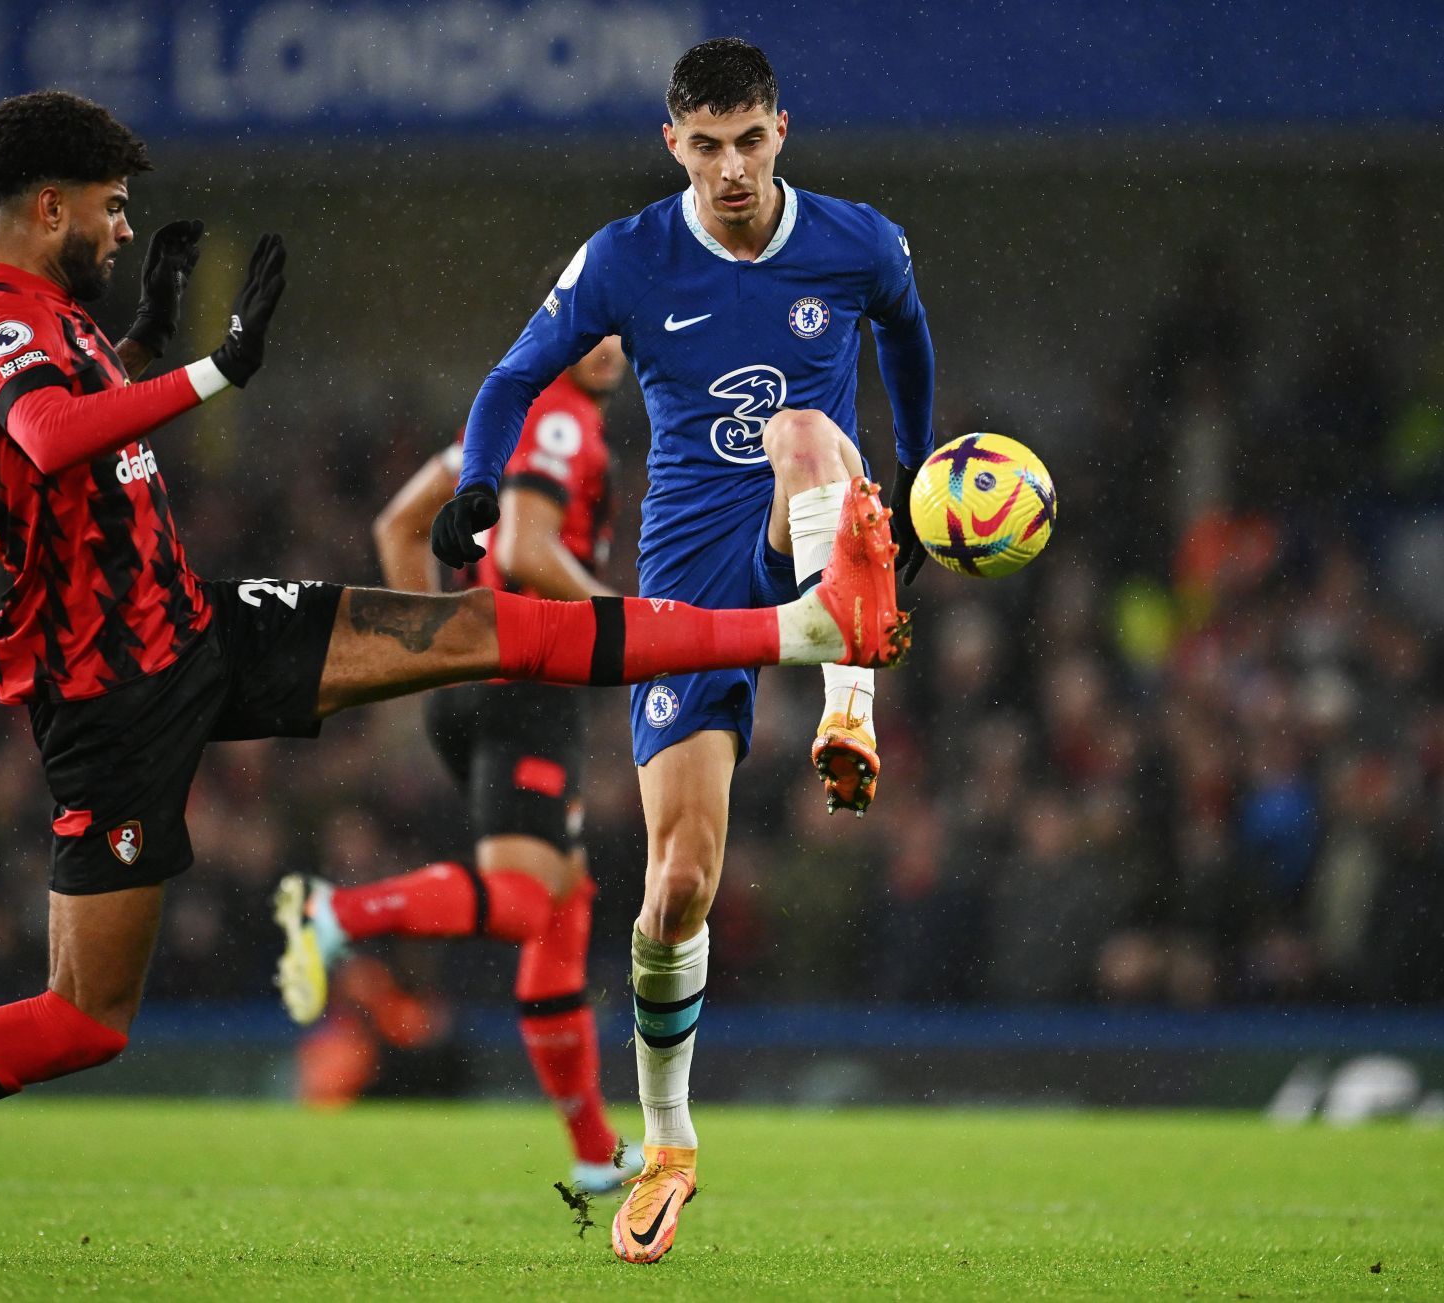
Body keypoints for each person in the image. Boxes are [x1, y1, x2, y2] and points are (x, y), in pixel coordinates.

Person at [0, 89, 908, 1266]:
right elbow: (39, 439)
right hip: (110, 689)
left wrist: (143, 340)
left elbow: (76, 416)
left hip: (193, 623)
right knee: (81, 1019)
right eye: (113, 210)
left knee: (485, 628)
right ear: (48, 204)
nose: (125, 230)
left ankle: (804, 632)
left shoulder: (49, 314)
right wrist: (213, 374)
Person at [427, 38, 936, 1263]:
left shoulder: (860, 241)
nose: (729, 169)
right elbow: (512, 375)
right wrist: (481, 485)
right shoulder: (626, 257)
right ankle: (668, 1142)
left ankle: (845, 699)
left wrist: (916, 475)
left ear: (780, 132)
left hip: (808, 515)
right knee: (676, 886)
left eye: (749, 140)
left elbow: (908, 347)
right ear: (675, 144)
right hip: (690, 579)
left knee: (815, 431)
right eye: (704, 146)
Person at [275, 334, 645, 1195]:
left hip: (478, 679)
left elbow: (396, 522)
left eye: (617, 331)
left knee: (563, 903)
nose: (609, 347)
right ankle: (339, 913)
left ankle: (593, 1147)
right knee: (525, 899)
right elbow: (523, 549)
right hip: (529, 680)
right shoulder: (563, 423)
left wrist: (435, 647)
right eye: (590, 329)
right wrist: (624, 629)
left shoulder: (501, 420)